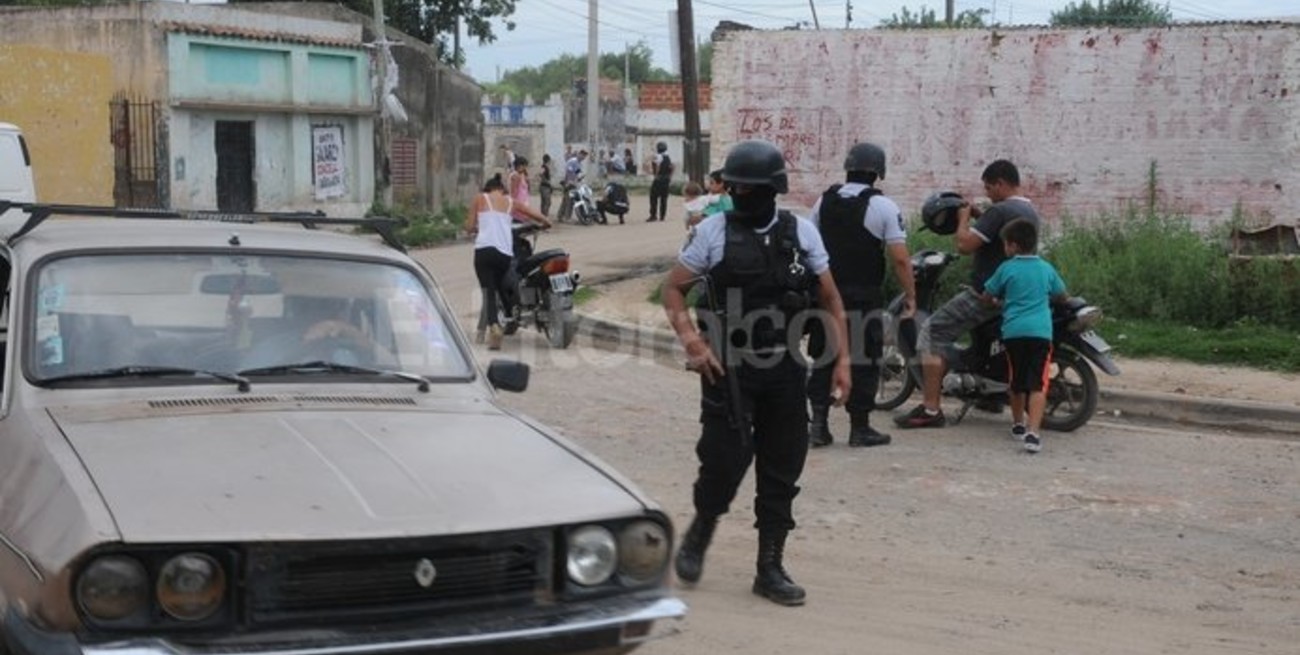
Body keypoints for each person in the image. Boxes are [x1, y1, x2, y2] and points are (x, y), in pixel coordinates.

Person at [661, 139, 852, 607]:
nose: (741, 194)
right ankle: (703, 525)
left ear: (772, 189)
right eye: (735, 186)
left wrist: (843, 360)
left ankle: (769, 566)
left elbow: (829, 298)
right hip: (727, 368)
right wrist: (694, 343)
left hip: (785, 367)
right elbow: (672, 292)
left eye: (750, 188)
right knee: (723, 459)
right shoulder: (711, 232)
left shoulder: (801, 233)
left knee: (782, 466)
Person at [895, 159, 1041, 428]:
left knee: (932, 330)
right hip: (1015, 294)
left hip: (986, 295)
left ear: (1000, 183)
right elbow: (998, 235)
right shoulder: (1028, 210)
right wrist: (978, 216)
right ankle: (991, 396)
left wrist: (963, 220)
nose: (987, 194)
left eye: (988, 188)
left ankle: (930, 409)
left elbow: (964, 245)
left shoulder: (1000, 211)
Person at [807, 142, 918, 448]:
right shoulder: (883, 207)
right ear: (878, 173)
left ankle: (818, 426)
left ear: (848, 167)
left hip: (826, 296)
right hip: (863, 297)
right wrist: (910, 294)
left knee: (823, 356)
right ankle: (860, 428)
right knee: (865, 358)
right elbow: (899, 259)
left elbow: (811, 248)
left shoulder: (823, 202)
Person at [979, 219, 1068, 453]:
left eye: (1006, 245)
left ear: (1014, 246)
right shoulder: (1046, 268)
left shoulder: (1006, 269)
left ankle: (1018, 425)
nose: (1004, 249)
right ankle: (1033, 433)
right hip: (1040, 332)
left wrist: (999, 301)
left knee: (1016, 381)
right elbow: (1062, 295)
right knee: (1038, 384)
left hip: (1013, 332)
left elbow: (986, 298)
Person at [465, 174, 551, 349]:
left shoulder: (480, 199)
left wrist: (474, 228)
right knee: (502, 284)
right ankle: (511, 314)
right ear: (502, 190)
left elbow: (468, 226)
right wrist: (546, 222)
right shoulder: (511, 202)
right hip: (504, 255)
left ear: (487, 189)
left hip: (484, 252)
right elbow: (534, 214)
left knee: (489, 292)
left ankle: (494, 327)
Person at [558, 149, 588, 222]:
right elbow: (569, 172)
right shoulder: (573, 161)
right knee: (569, 200)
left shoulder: (579, 163)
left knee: (565, 199)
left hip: (573, 183)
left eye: (584, 157)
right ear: (580, 154)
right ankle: (566, 217)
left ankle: (560, 216)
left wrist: (580, 178)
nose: (583, 158)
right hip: (568, 182)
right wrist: (568, 182)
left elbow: (577, 173)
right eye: (583, 156)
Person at [647, 141, 673, 222]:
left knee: (653, 197)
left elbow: (656, 166)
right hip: (666, 179)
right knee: (664, 198)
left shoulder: (658, 157)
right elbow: (672, 167)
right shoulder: (668, 157)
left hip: (659, 179)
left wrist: (655, 175)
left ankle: (653, 215)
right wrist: (670, 177)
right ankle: (662, 216)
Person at [507, 156, 532, 222]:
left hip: (523, 203)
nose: (525, 168)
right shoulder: (515, 176)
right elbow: (513, 191)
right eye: (524, 166)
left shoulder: (521, 175)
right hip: (519, 203)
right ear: (520, 166)